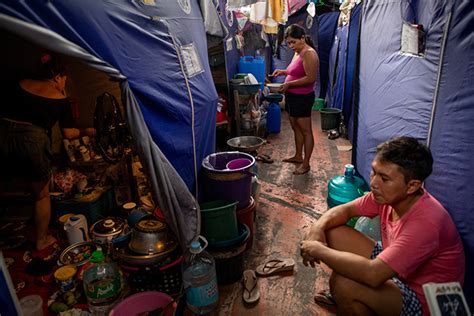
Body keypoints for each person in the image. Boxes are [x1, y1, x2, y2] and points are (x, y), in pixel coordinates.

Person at [300, 136, 465, 315]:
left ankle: (353, 298)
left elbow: (373, 274)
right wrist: (317, 230)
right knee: (332, 231)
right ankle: (357, 300)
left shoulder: (427, 223)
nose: (374, 183)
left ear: (412, 186)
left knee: (343, 284)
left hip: (425, 299)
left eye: (384, 178)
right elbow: (345, 211)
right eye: (374, 172)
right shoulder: (388, 195)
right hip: (399, 273)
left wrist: (317, 249)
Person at [0, 53, 92, 254]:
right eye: (65, 79)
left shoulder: (21, 82)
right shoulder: (59, 98)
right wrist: (87, 131)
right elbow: (68, 133)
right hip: (32, 139)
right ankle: (41, 240)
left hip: (3, 131)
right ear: (58, 76)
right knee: (41, 195)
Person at [272, 24, 319, 175]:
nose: (291, 45)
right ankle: (298, 156)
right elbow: (296, 70)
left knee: (306, 130)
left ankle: (306, 164)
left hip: (303, 97)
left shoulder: (309, 53)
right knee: (295, 126)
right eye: (289, 43)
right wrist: (284, 71)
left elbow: (310, 78)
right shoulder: (297, 52)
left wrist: (289, 83)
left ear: (302, 38)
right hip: (292, 96)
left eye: (293, 42)